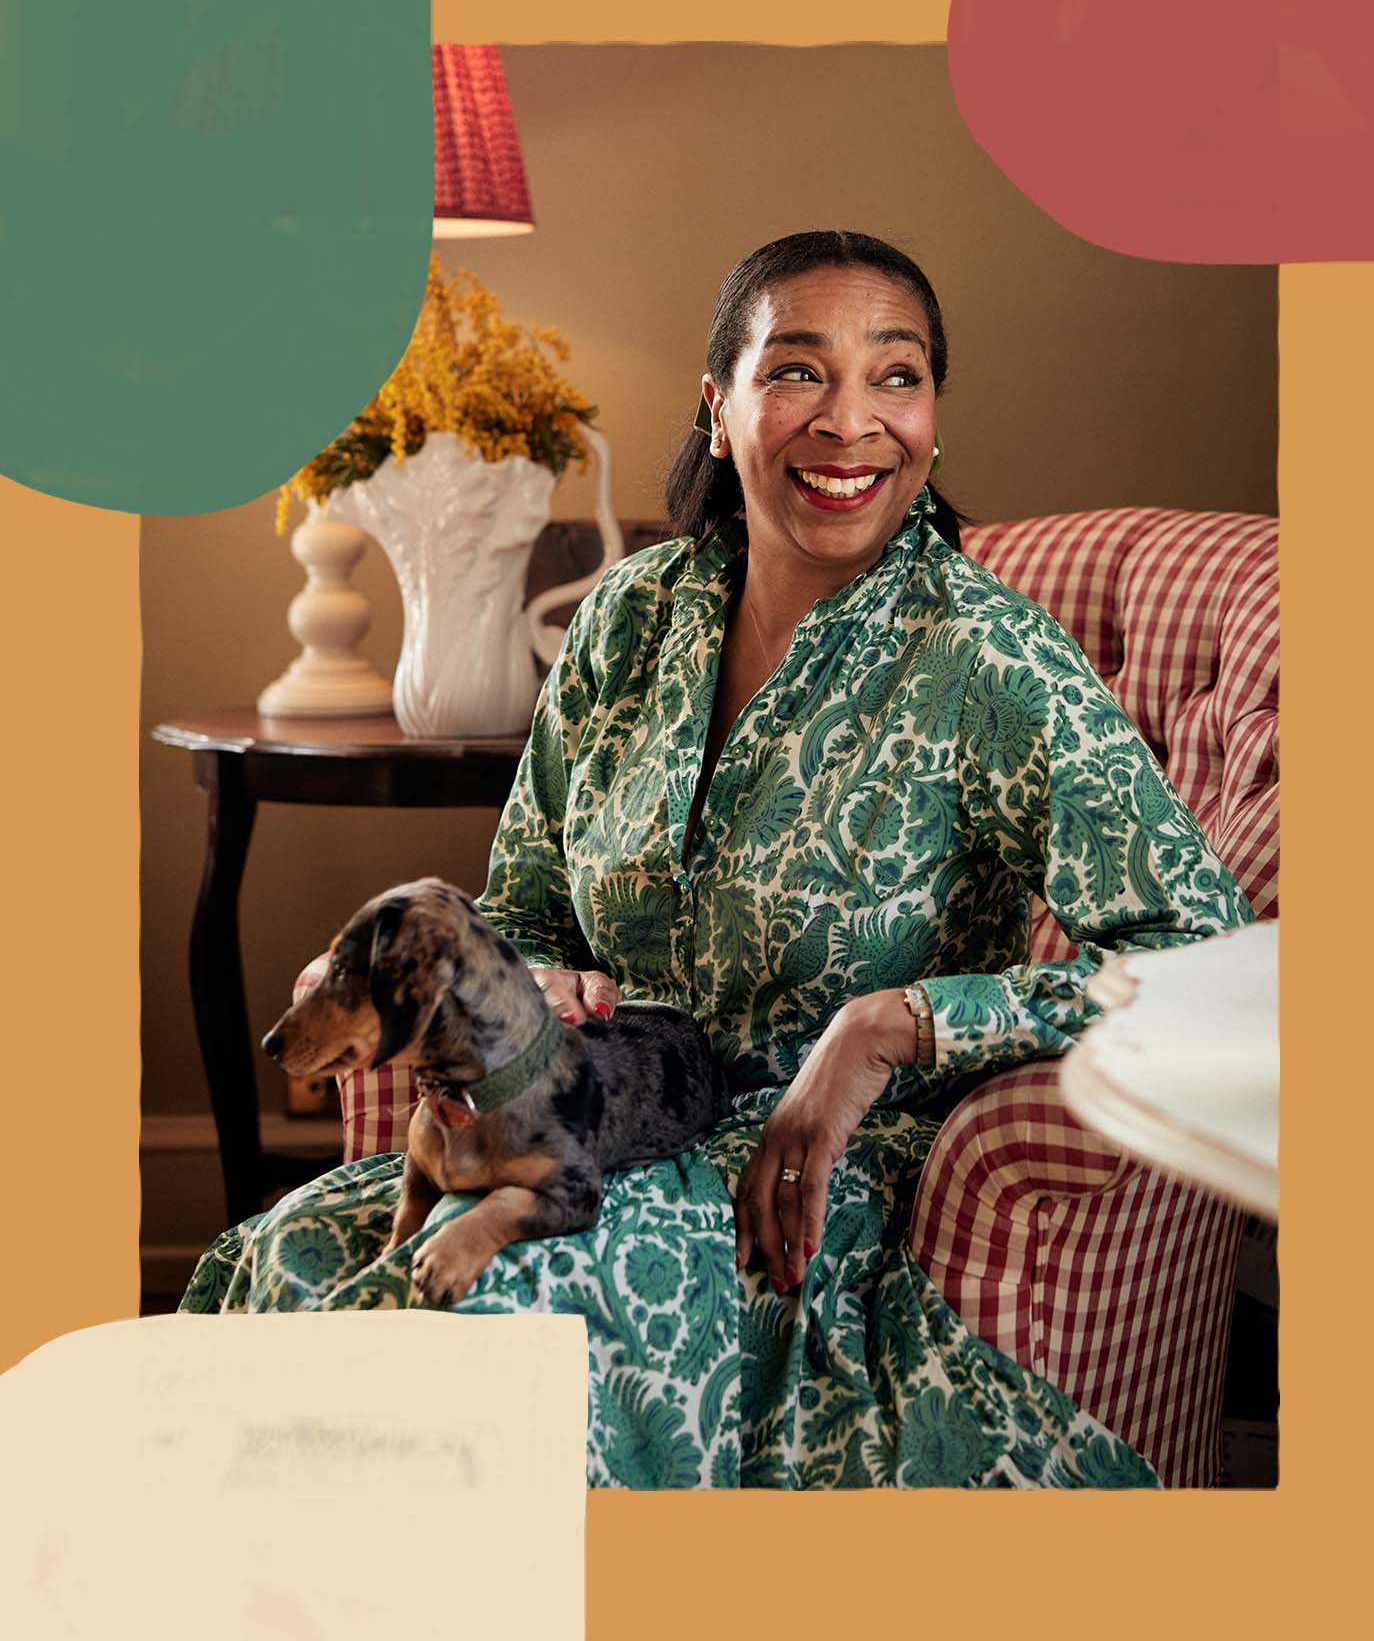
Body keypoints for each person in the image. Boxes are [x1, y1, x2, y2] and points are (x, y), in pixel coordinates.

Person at [182, 229, 1253, 1490]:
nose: (851, 422)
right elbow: (525, 895)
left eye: (895, 377)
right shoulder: (628, 615)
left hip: (808, 1188)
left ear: (934, 415)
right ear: (720, 403)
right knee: (293, 1263)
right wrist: (536, 970)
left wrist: (900, 1022)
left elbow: (1212, 966)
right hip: (588, 1129)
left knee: (479, 1339)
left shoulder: (990, 661)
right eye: (797, 372)